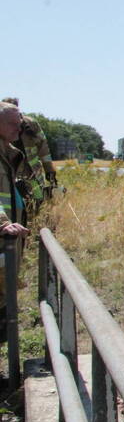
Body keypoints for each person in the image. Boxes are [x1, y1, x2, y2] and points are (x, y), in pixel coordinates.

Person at [0, 102, 30, 324]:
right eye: (12, 124)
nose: (18, 130)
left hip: (7, 241)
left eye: (19, 125)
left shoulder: (8, 154)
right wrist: (2, 224)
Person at [1, 97, 58, 213]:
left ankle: (35, 219)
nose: (17, 127)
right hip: (12, 171)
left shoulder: (31, 124)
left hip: (32, 172)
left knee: (38, 199)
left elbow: (44, 149)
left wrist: (50, 171)